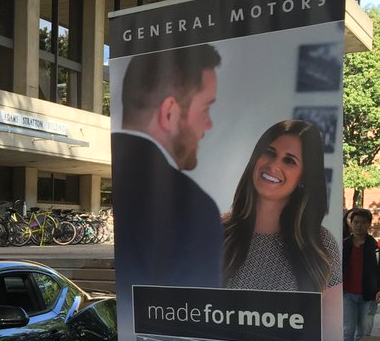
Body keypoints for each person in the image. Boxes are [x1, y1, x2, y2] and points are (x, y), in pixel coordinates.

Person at [111, 44, 223, 288]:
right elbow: (196, 319)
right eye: (206, 108)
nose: (209, 124)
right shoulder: (193, 210)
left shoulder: (115, 184)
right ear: (170, 113)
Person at [222, 119, 340, 292]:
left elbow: (330, 318)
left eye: (289, 161)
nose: (274, 165)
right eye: (269, 153)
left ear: (303, 178)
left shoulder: (322, 245)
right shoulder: (215, 233)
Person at [343, 207, 380, 341]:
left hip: (369, 296)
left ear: (369, 224)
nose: (359, 226)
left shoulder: (375, 246)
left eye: (364, 222)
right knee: (347, 331)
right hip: (347, 295)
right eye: (356, 222)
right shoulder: (343, 245)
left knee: (364, 334)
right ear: (351, 223)